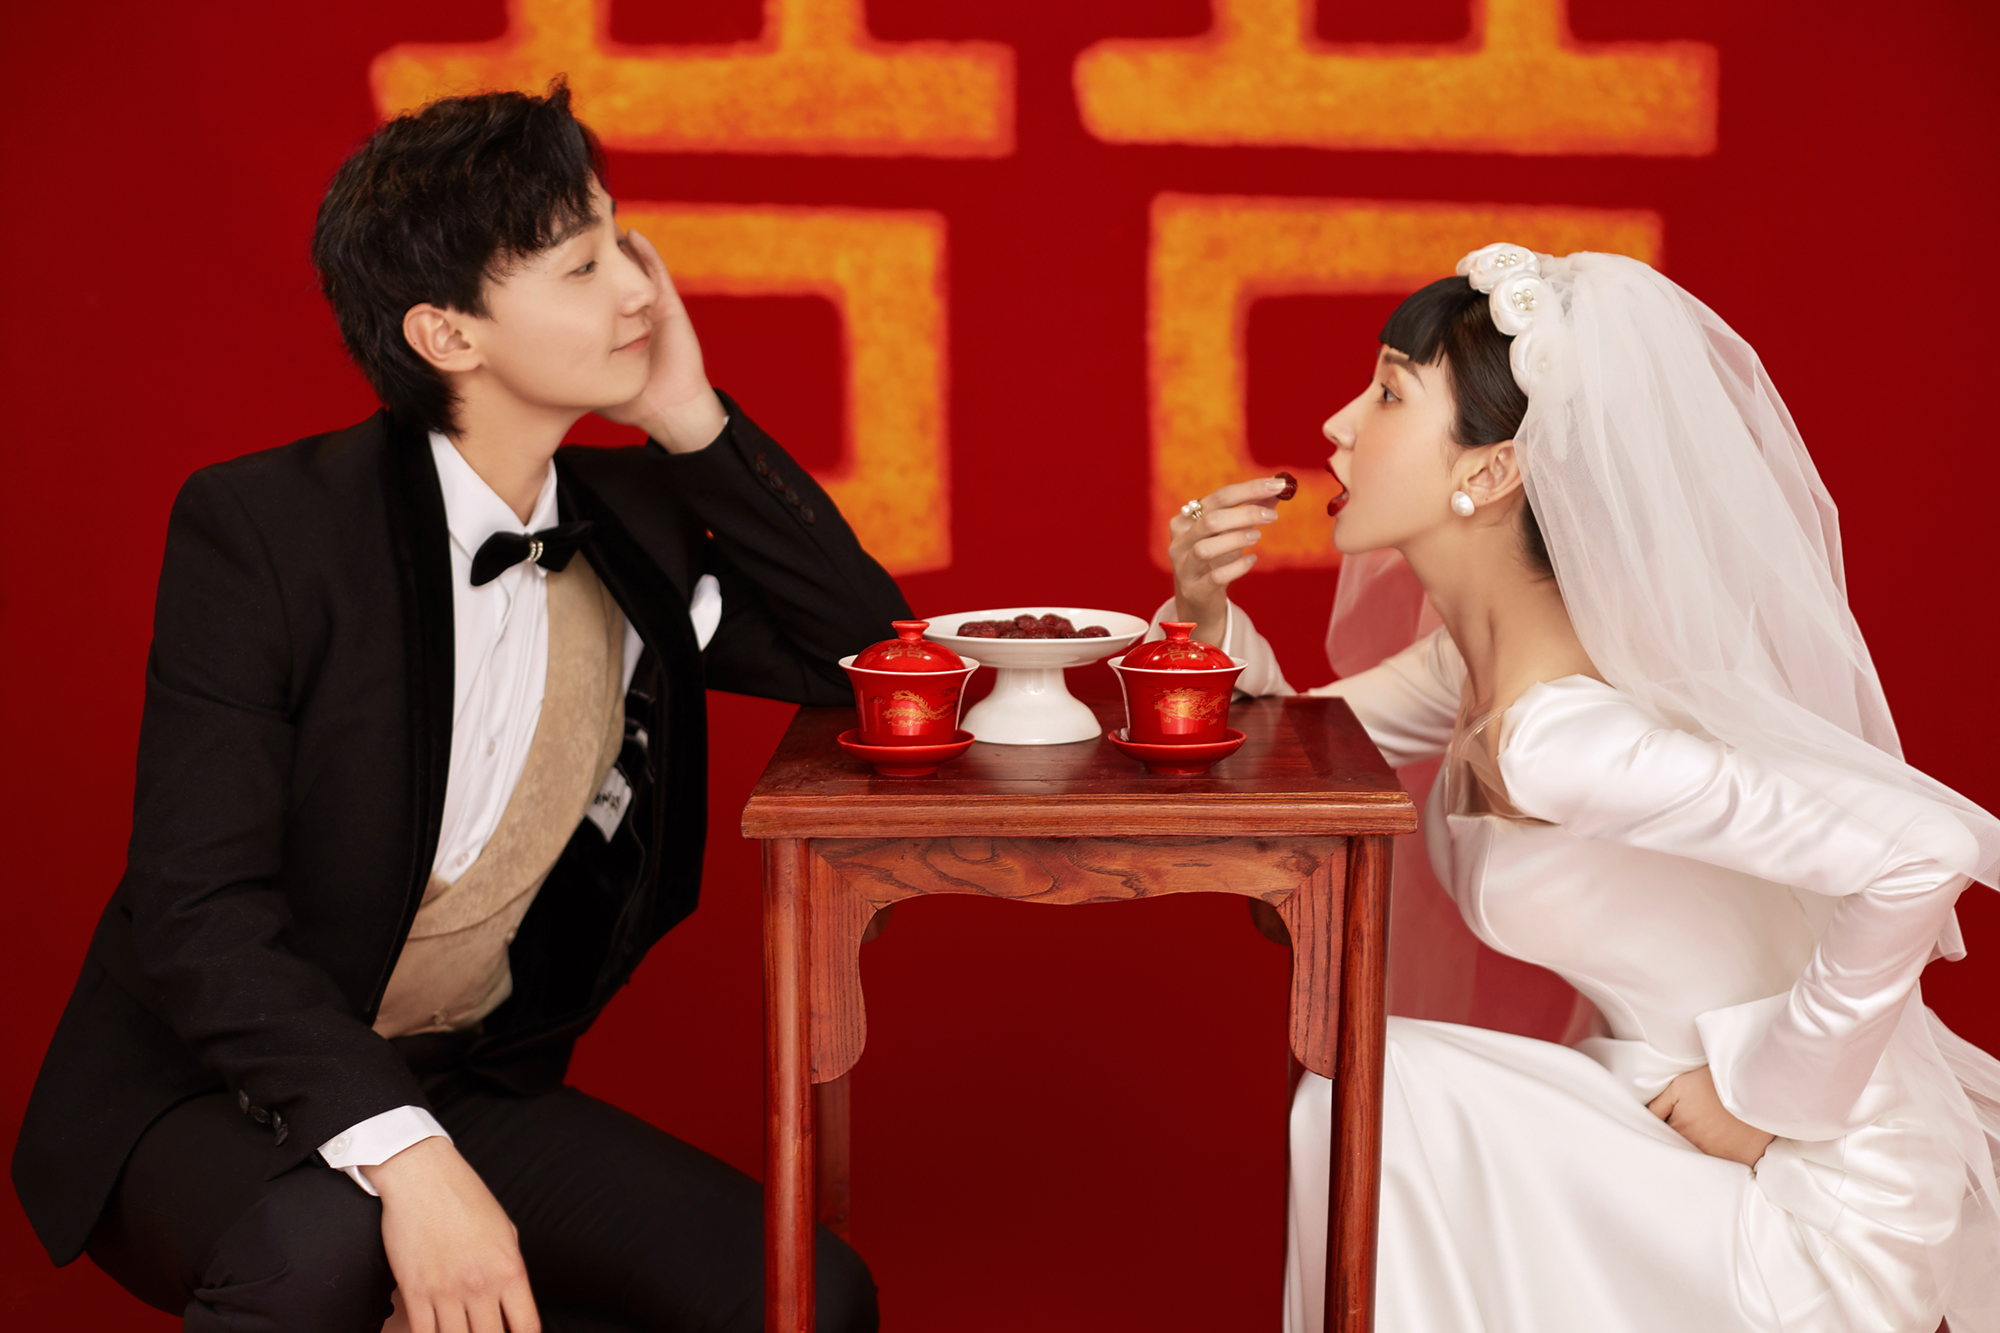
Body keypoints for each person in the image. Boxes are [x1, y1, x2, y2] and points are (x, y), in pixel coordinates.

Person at [11, 81, 903, 1333]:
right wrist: (408, 1159)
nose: (639, 293)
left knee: (803, 1297)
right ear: (446, 335)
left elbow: (870, 658)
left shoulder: (629, 529)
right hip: (204, 1081)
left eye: (623, 246)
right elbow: (195, 909)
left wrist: (685, 417)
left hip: (458, 1073)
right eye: (581, 266)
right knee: (331, 1250)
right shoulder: (268, 529)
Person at [1164, 247, 2000, 1331]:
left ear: (1490, 472)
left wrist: (1768, 1095)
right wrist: (1201, 608)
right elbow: (1291, 750)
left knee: (1372, 1092)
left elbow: (1925, 848)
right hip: (1649, 1111)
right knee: (1365, 1089)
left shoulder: (1562, 736)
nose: (1338, 424)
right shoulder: (1473, 667)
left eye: (1387, 394)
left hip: (1808, 1191)